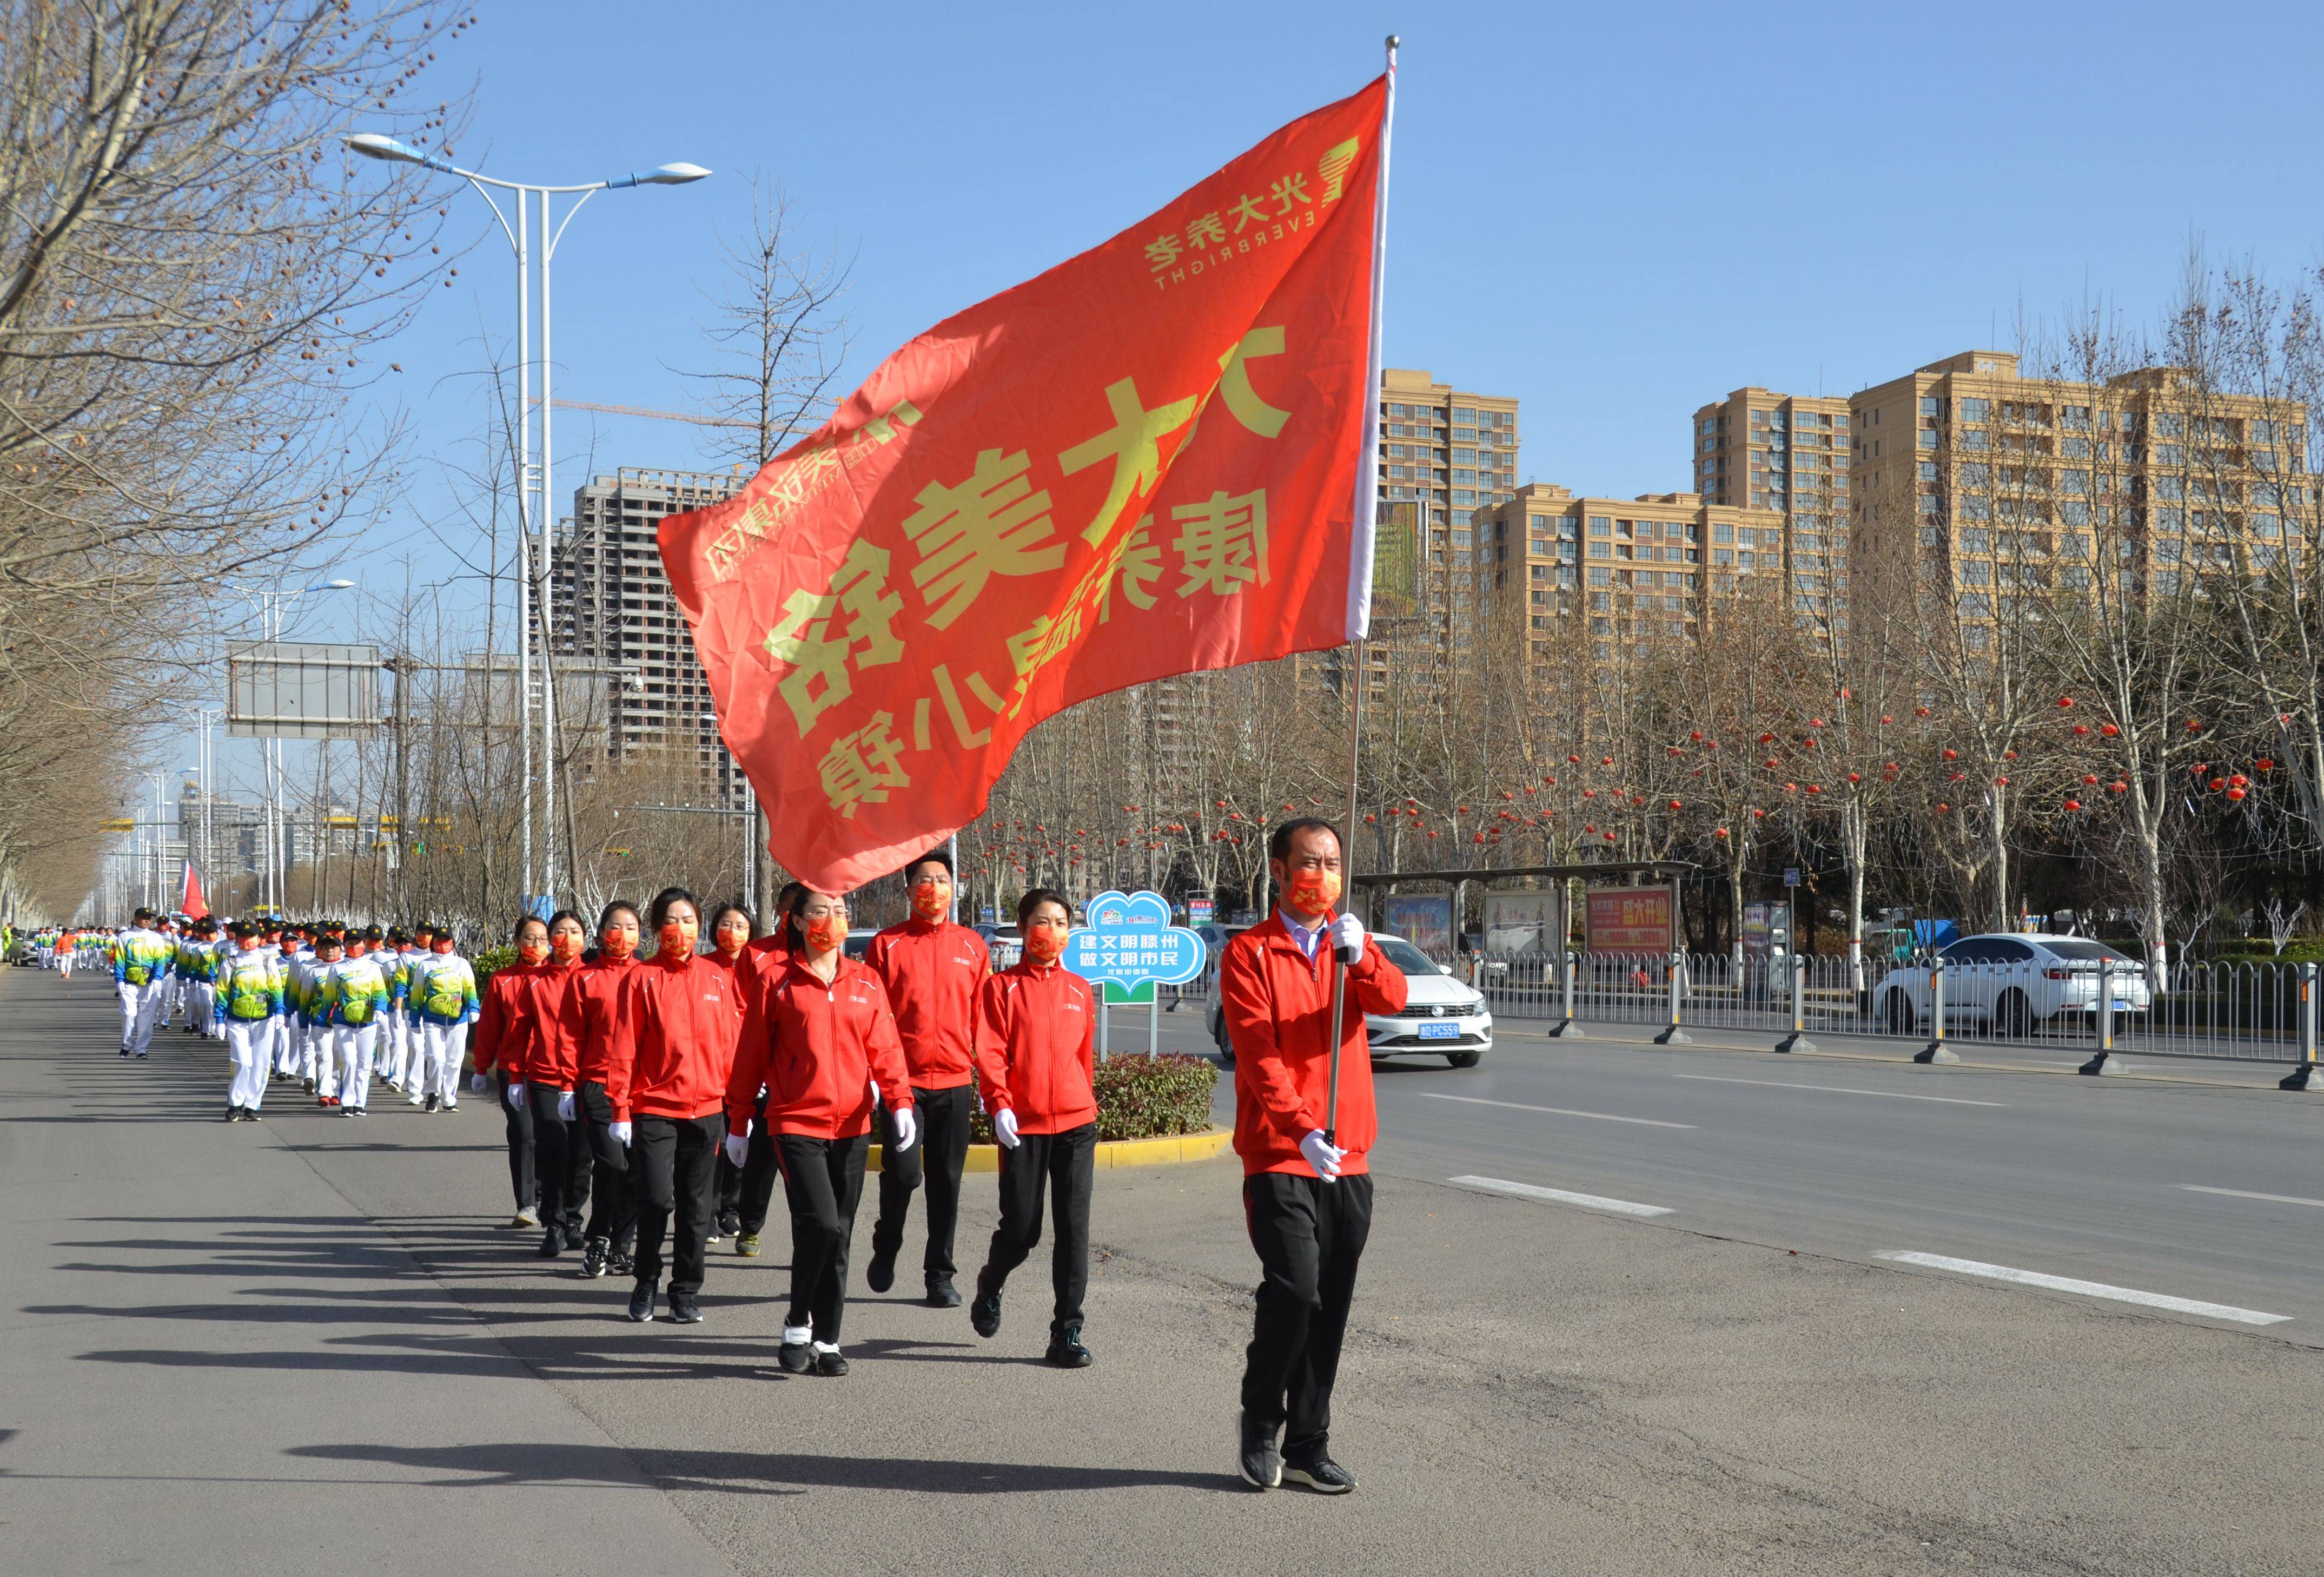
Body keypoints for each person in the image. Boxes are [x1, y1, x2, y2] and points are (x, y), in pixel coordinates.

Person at [1219, 816, 1408, 1495]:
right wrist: (1299, 1127)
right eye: (1308, 861)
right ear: (1277, 868)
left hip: (1348, 1155)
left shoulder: (1348, 944)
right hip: (1281, 1151)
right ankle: (1259, 1416)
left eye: (1331, 863)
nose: (1321, 875)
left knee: (1329, 1303)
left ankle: (1308, 1442)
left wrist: (1364, 957)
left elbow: (1393, 999)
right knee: (1295, 1287)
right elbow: (1258, 1052)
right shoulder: (1249, 953)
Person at [728, 885, 913, 1376]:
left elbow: (887, 1049)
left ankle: (827, 1340)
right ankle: (796, 1322)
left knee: (841, 1232)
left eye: (839, 911)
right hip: (794, 1119)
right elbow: (749, 1054)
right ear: (797, 921)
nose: (830, 920)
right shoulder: (776, 981)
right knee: (822, 1224)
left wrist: (900, 1102)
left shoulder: (866, 980)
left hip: (852, 1125)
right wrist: (738, 1119)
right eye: (818, 911)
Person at [967, 888, 1098, 1367]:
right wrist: (998, 1104)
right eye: (1042, 921)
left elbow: (1082, 1061)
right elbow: (991, 1051)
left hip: (1076, 1125)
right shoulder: (1000, 988)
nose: (1052, 931)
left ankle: (1067, 1332)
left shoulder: (1079, 990)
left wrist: (1086, 1103)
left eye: (1062, 922)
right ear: (1023, 929)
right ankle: (990, 1283)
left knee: (1073, 1231)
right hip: (1022, 1127)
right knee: (1022, 1230)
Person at [607, 888, 743, 1325]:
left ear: (699, 926)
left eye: (688, 919)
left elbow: (731, 1046)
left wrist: (738, 1109)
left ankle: (684, 1291)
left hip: (706, 1111)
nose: (680, 928)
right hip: (656, 1108)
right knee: (658, 1199)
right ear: (656, 927)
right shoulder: (641, 978)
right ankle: (645, 1278)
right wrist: (620, 1108)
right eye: (671, 919)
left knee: (696, 1206)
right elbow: (623, 1046)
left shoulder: (719, 979)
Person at [865, 848, 990, 1307]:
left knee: (946, 1180)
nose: (932, 888)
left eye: (940, 879)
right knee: (903, 1173)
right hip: (903, 1083)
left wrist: (989, 1082)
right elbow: (873, 1018)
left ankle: (939, 1275)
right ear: (907, 890)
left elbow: (982, 1021)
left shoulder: (972, 946)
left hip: (954, 1081)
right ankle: (888, 1241)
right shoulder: (886, 944)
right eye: (922, 879)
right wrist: (877, 1075)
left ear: (953, 888)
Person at [567, 901, 642, 1279]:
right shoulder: (584, 977)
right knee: (612, 1165)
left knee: (635, 1171)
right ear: (600, 934)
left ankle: (621, 1246)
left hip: (642, 1088)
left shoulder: (649, 975)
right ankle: (598, 1238)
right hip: (598, 1084)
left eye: (631, 927)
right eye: (615, 927)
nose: (623, 935)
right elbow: (570, 1036)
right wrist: (568, 1085)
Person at [520, 910, 594, 1258]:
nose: (567, 938)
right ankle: (553, 1222)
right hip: (546, 1076)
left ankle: (574, 1219)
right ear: (550, 938)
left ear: (585, 937)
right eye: (560, 932)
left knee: (582, 1154)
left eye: (575, 932)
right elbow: (519, 1031)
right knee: (554, 1147)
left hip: (586, 1077)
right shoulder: (535, 980)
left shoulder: (595, 976)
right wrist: (513, 1074)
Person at [469, 916, 547, 1228]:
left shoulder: (563, 978)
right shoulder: (503, 980)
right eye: (530, 939)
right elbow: (489, 1028)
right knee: (524, 1134)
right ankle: (527, 1203)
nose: (537, 945)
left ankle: (548, 1197)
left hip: (552, 1069)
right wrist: (480, 1066)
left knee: (550, 1136)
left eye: (543, 939)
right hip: (514, 1071)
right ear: (517, 942)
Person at [703, 902, 756, 1245]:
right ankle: (706, 1213)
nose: (732, 932)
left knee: (743, 1141)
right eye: (726, 924)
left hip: (749, 1067)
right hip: (711, 1067)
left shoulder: (760, 968)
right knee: (714, 1144)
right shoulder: (703, 967)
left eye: (740, 926)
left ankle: (730, 1208)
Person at [215, 922, 287, 1122]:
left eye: (251, 936)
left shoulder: (266, 961)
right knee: (243, 1062)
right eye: (243, 937)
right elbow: (222, 991)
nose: (247, 940)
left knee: (262, 1064)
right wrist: (219, 1019)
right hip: (237, 1019)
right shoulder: (230, 962)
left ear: (258, 938)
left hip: (264, 1018)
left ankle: (252, 1105)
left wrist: (279, 1011)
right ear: (237, 939)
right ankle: (235, 1102)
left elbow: (275, 987)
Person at [406, 925, 479, 1113]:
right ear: (434, 943)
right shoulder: (425, 965)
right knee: (436, 1058)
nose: (443, 944)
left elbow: (470, 988)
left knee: (454, 1060)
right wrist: (415, 1019)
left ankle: (449, 1097)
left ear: (452, 943)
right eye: (439, 940)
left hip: (458, 1019)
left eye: (446, 940)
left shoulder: (461, 964)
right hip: (433, 1019)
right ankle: (433, 1092)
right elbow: (417, 994)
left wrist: (473, 1008)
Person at [112, 908, 170, 1058]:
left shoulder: (156, 938)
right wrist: (119, 980)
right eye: (144, 918)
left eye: (149, 918)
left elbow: (160, 961)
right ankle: (127, 1043)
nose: (147, 921)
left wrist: (158, 979)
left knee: (147, 1016)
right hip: (129, 981)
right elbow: (119, 960)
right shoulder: (125, 936)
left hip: (149, 982)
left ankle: (142, 1048)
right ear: (136, 918)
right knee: (127, 1013)